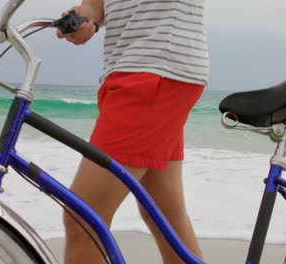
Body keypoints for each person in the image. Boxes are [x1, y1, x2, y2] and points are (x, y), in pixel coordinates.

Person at [57, 0, 209, 263]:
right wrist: (83, 17)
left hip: (155, 68)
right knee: (164, 215)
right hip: (134, 71)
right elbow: (98, 6)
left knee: (84, 216)